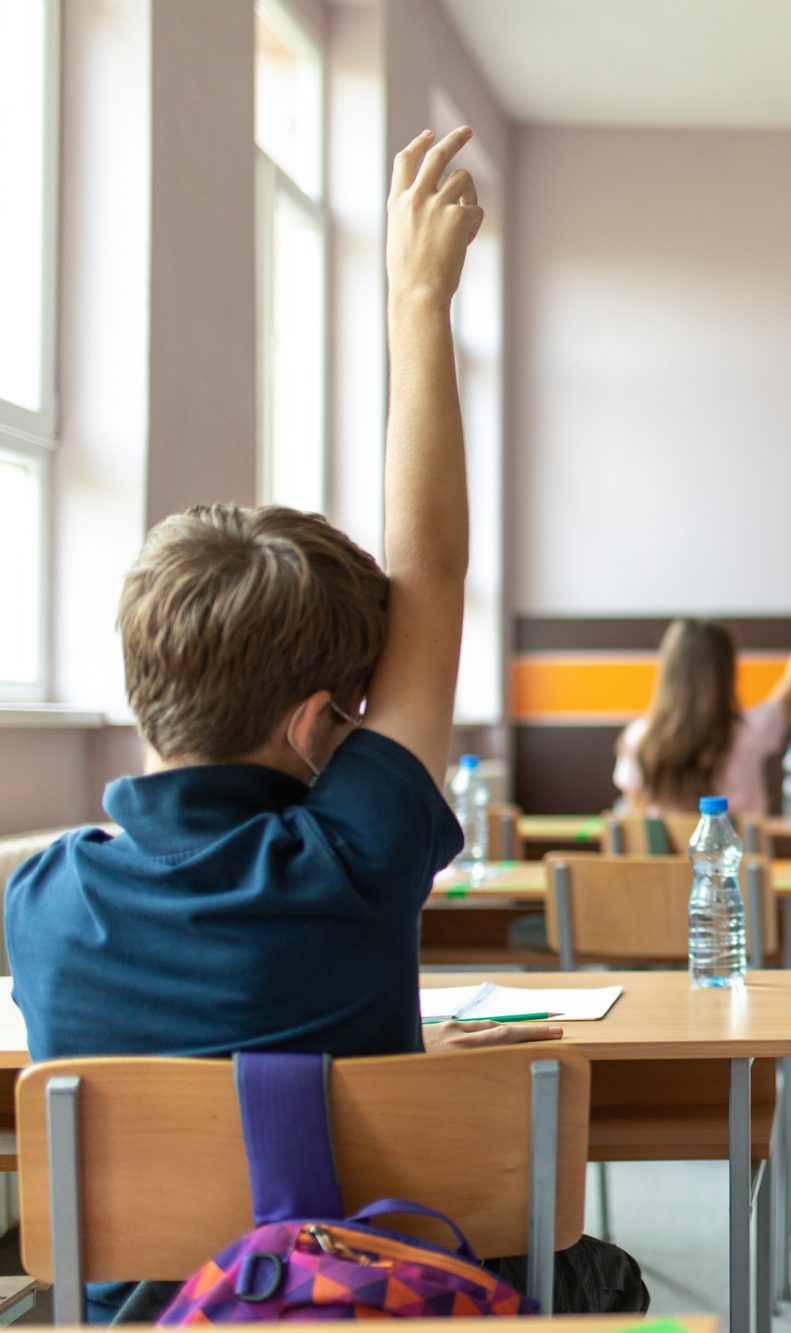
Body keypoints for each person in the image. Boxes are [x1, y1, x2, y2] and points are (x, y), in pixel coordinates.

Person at [5, 129, 644, 1320]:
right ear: (314, 727)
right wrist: (417, 298)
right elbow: (432, 568)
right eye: (352, 715)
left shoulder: (40, 902)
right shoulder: (348, 858)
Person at [615, 562, 791, 815]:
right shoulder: (750, 733)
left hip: (668, 857)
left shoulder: (639, 739)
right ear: (727, 672)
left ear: (668, 673)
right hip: (744, 856)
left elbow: (633, 821)